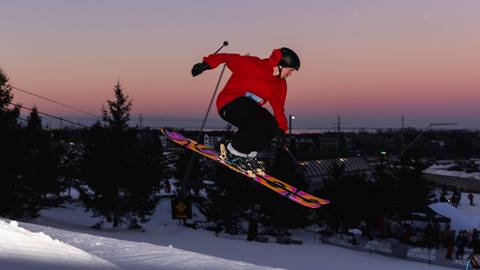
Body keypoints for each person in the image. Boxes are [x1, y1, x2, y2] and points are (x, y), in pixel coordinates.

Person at [191, 47, 300, 174]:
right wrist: (206, 64)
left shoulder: (280, 85)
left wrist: (281, 129)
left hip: (249, 112)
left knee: (271, 126)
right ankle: (233, 152)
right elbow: (228, 58)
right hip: (229, 104)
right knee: (261, 118)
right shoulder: (253, 65)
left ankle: (247, 156)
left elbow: (278, 108)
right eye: (290, 70)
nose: (290, 74)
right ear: (281, 64)